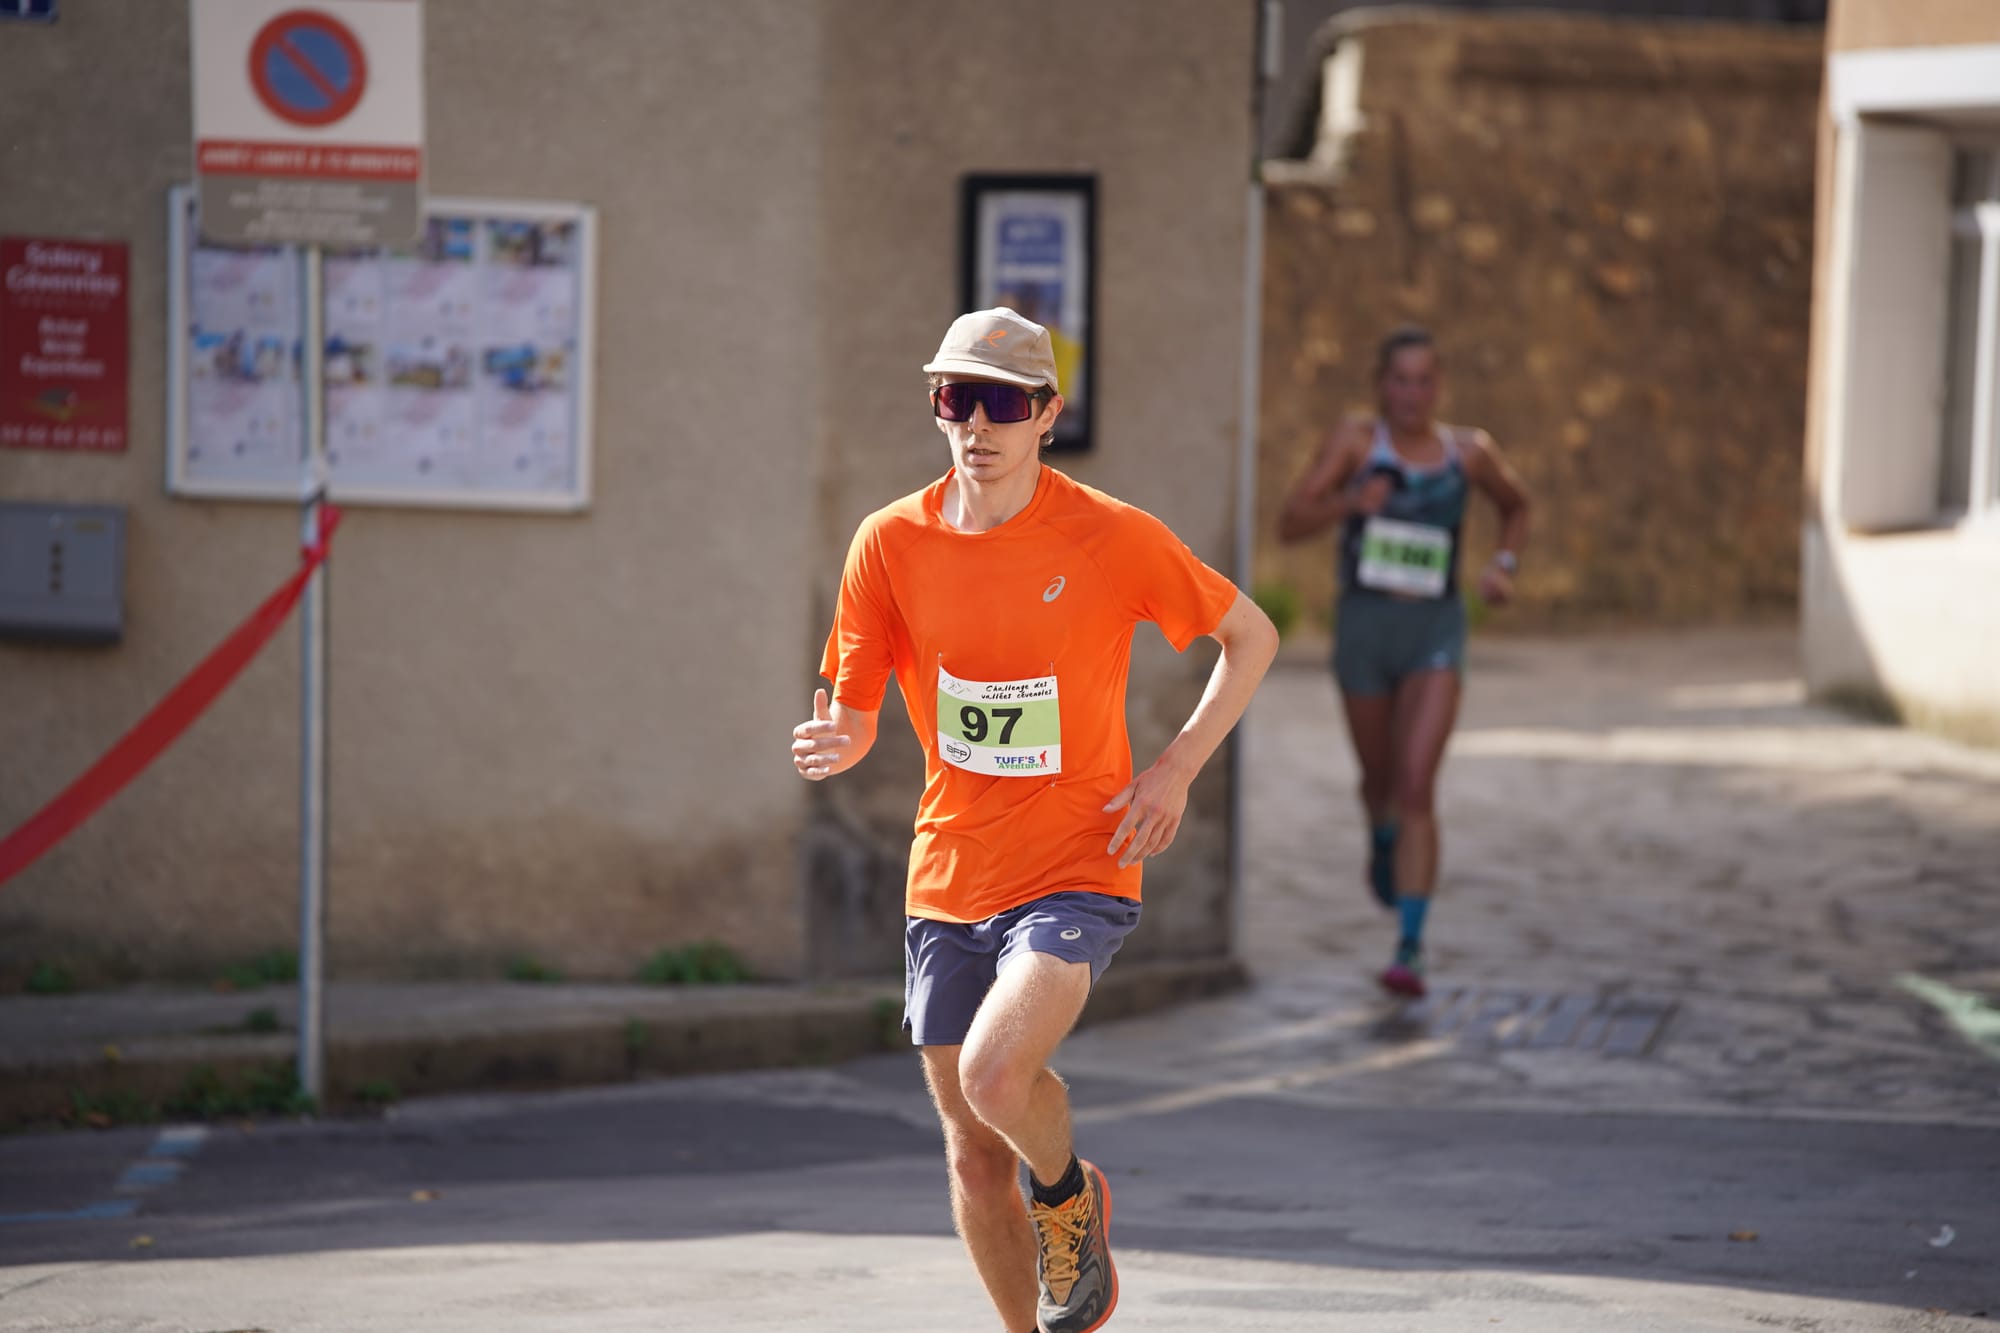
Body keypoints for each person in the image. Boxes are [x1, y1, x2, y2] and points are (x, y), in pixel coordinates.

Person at [793, 307, 1278, 1333]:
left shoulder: (1107, 534)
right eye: (954, 398)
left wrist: (1176, 767)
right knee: (972, 1158)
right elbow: (854, 700)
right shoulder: (888, 542)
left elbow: (1249, 634)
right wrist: (840, 734)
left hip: (1077, 858)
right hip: (949, 871)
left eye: (1002, 401)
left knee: (993, 1075)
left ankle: (1066, 1195)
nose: (976, 423)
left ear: (1045, 414)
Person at [1276, 326, 1530, 999]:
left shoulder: (1468, 453)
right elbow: (1290, 520)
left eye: (1423, 380)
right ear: (1379, 385)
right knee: (1380, 778)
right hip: (1365, 626)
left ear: (1438, 386)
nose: (1411, 394)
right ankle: (1380, 831)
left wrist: (1502, 565)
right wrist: (1348, 503)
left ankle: (1410, 945)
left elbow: (1516, 504)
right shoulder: (1356, 442)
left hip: (1435, 629)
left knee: (1417, 782)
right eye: (1399, 380)